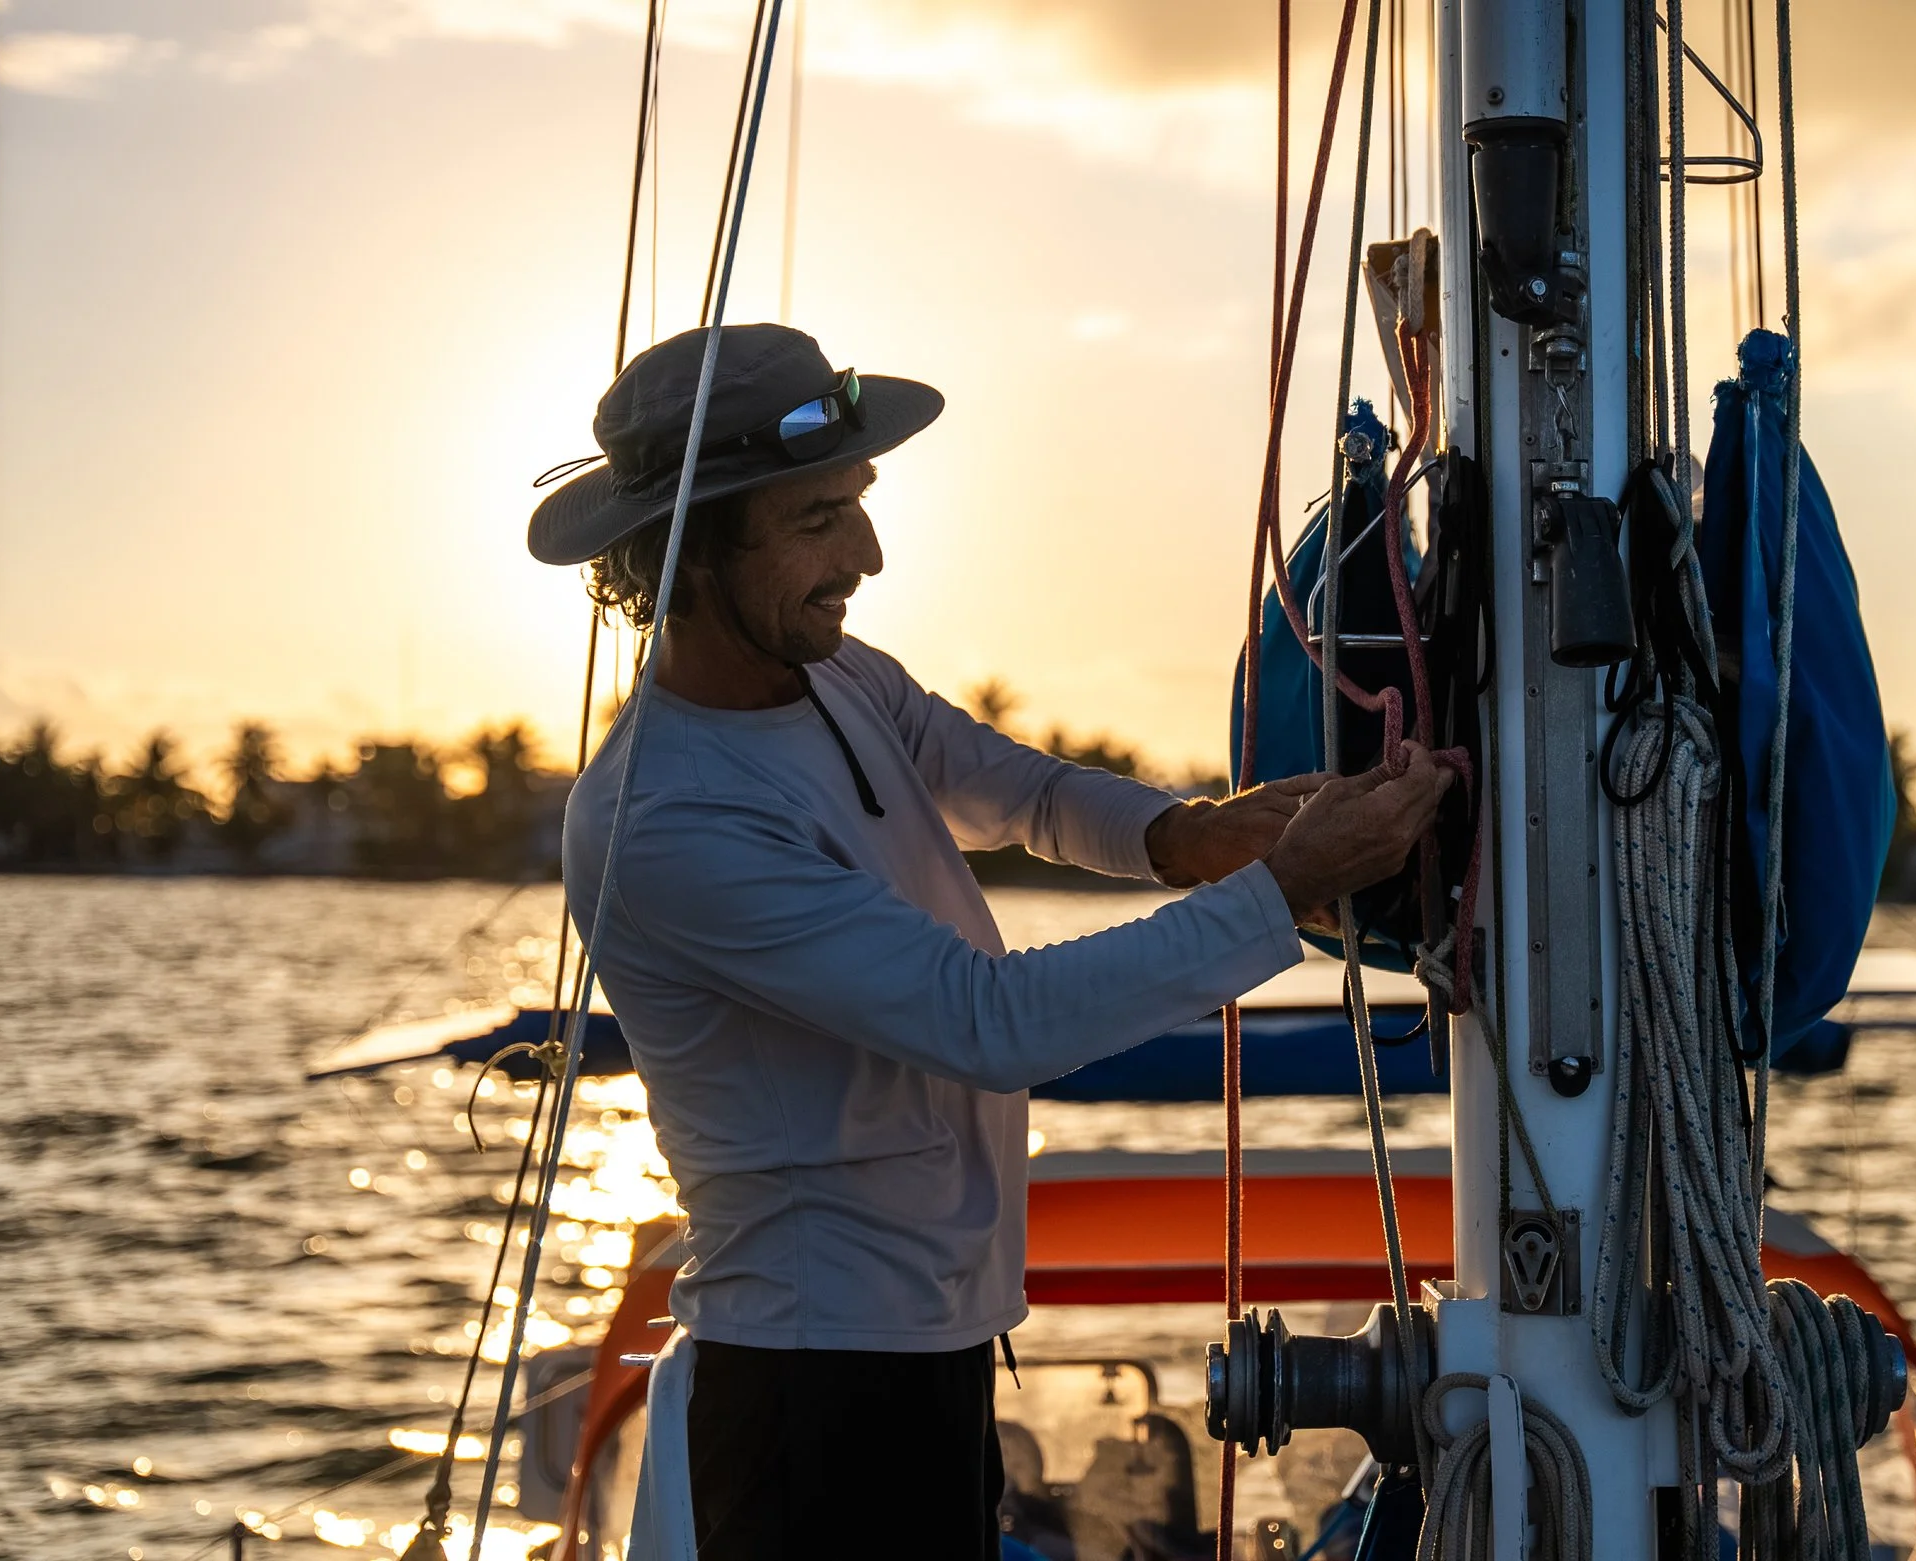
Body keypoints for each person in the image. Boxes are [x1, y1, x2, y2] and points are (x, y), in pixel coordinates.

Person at [528, 323, 1448, 1558]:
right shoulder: (666, 816)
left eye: (858, 502)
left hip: (931, 1349)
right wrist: (1281, 891)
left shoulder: (837, 677)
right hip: (810, 1388)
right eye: (818, 520)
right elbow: (987, 1021)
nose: (866, 553)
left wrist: (1187, 834)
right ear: (690, 552)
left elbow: (1020, 791)